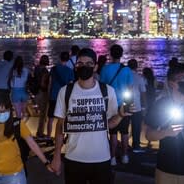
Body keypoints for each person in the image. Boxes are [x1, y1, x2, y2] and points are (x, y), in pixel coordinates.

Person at [50, 48, 131, 184]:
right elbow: (60, 126)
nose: (84, 67)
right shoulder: (65, 92)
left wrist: (121, 115)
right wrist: (56, 156)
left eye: (89, 63)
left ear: (96, 67)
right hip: (73, 158)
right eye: (80, 63)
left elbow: (109, 123)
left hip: (101, 159)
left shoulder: (107, 91)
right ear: (76, 66)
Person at [99, 44, 133, 165]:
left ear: (110, 54)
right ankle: (124, 156)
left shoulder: (105, 69)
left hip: (110, 104)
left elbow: (101, 87)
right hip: (124, 104)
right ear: (121, 55)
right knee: (124, 132)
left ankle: (112, 157)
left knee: (112, 133)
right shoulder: (127, 70)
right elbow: (130, 88)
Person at [47, 52, 74, 139]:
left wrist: (48, 94)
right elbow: (71, 86)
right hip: (64, 97)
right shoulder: (70, 71)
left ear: (60, 58)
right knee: (63, 119)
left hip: (53, 96)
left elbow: (50, 83)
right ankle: (64, 137)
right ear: (68, 59)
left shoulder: (53, 69)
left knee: (50, 119)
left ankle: (48, 137)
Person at [127, 59, 147, 153]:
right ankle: (136, 146)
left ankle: (124, 145)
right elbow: (143, 93)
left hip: (125, 104)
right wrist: (144, 106)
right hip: (137, 106)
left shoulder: (125, 76)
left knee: (125, 127)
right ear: (136, 67)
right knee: (136, 127)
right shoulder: (139, 77)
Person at [34, 55, 50, 138]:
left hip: (36, 92)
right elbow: (43, 83)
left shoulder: (36, 68)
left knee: (40, 113)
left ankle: (39, 132)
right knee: (43, 114)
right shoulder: (44, 71)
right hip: (43, 93)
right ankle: (40, 132)